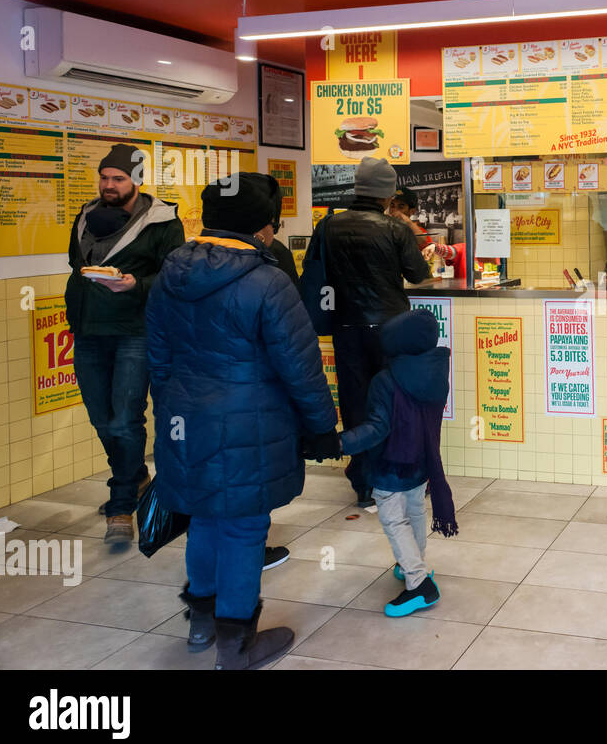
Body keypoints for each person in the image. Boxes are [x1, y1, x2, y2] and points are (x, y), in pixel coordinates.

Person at [147, 173, 340, 669]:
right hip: (249, 423)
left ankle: (201, 624)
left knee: (204, 519)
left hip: (184, 419)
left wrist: (174, 409)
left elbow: (158, 357)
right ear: (263, 228)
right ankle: (237, 645)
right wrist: (321, 426)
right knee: (243, 527)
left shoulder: (169, 273)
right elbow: (300, 364)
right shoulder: (268, 279)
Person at [67, 143, 185, 543]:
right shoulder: (84, 216)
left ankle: (120, 505)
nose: (108, 185)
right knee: (101, 418)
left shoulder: (163, 220)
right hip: (87, 332)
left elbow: (174, 278)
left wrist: (136, 283)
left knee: (125, 419)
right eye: (104, 177)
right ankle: (134, 477)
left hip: (136, 332)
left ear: (136, 180)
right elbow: (76, 267)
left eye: (117, 178)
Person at [307, 157, 431, 507]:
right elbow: (419, 274)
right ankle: (397, 476)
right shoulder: (395, 229)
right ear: (387, 195)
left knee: (355, 403)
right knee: (394, 401)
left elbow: (314, 272)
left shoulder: (328, 226)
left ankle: (363, 482)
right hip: (391, 329)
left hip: (346, 327)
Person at [339, 309, 458, 617]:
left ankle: (419, 583)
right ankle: (414, 564)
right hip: (422, 459)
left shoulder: (386, 380)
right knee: (415, 510)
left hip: (390, 463)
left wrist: (341, 442)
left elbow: (377, 428)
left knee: (395, 521)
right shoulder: (436, 368)